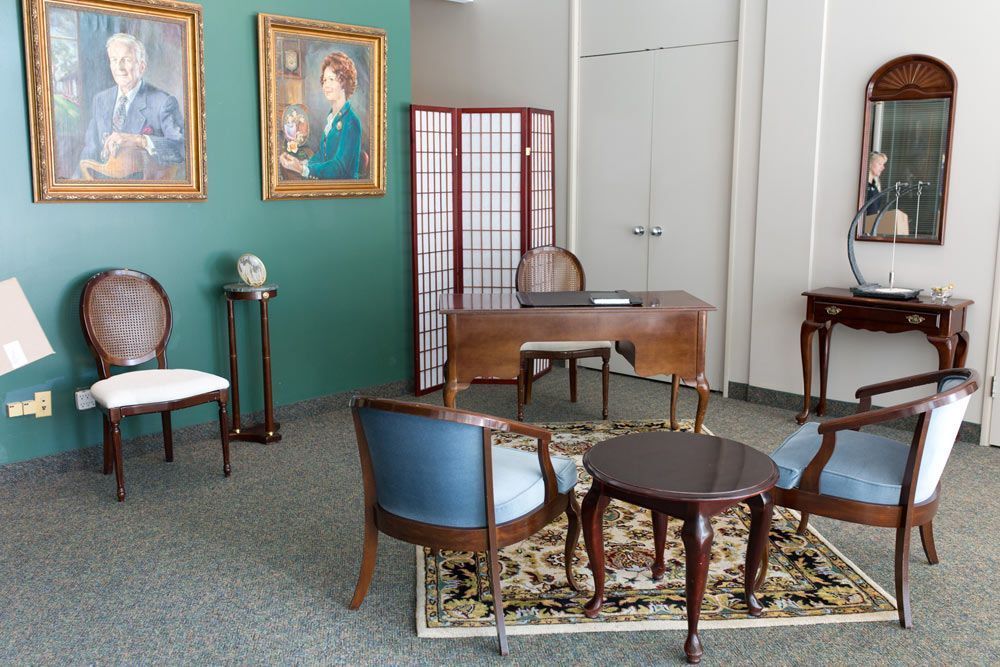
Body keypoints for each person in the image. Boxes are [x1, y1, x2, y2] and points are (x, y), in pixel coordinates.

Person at [76, 33, 184, 179]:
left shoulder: (163, 102)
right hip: (101, 191)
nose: (119, 68)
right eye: (114, 60)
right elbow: (90, 150)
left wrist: (139, 140)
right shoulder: (101, 100)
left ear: (142, 66)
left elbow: (182, 148)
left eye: (126, 60)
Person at [279, 52, 362, 180]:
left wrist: (302, 169)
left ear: (344, 83)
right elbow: (322, 156)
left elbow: (338, 168)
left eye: (331, 80)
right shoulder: (331, 117)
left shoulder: (351, 122)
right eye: (324, 80)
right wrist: (302, 164)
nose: (326, 85)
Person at [863, 151, 909, 236]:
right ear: (869, 164)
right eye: (880, 164)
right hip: (862, 229)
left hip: (871, 230)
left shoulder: (875, 187)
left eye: (883, 165)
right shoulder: (862, 185)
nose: (883, 168)